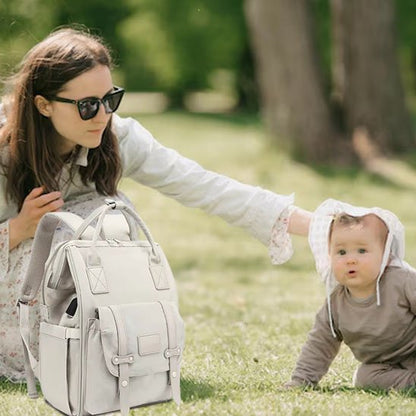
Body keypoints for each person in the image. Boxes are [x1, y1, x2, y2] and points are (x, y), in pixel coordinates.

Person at [0, 26, 311, 382]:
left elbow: (203, 185)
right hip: (12, 283)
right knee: (57, 236)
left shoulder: (114, 138)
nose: (102, 116)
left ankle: (103, 351)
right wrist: (17, 229)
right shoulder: (5, 152)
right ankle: (40, 354)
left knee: (110, 217)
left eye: (109, 100)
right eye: (87, 106)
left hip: (69, 280)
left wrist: (319, 227)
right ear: (43, 105)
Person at [285, 199, 416, 391]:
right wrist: (301, 380)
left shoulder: (403, 282)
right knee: (364, 378)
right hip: (382, 365)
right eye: (341, 252)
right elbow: (319, 344)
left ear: (386, 256)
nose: (350, 260)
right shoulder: (336, 304)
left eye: (362, 250)